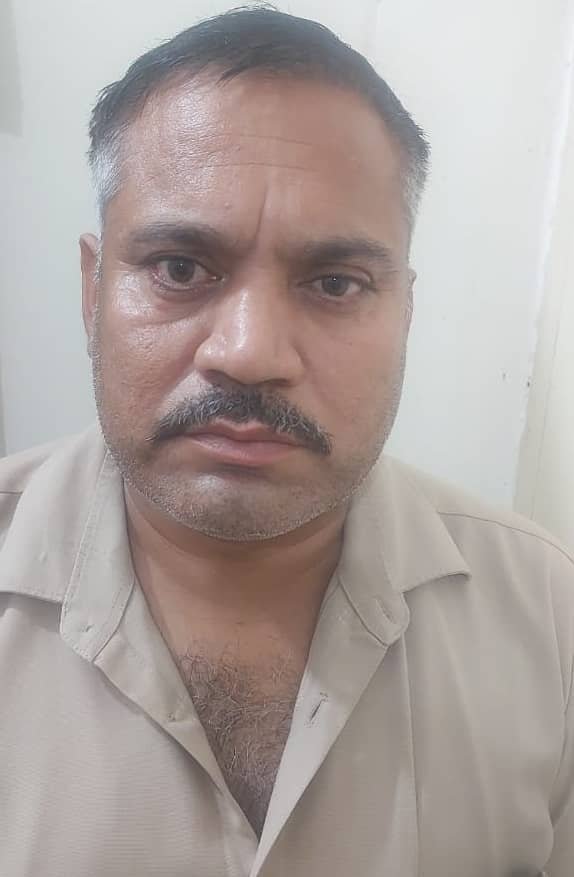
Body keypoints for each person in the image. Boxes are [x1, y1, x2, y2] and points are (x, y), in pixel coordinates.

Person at [1, 7, 572, 876]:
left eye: (335, 282)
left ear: (405, 311)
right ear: (93, 289)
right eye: (181, 268)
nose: (250, 352)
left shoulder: (551, 619)